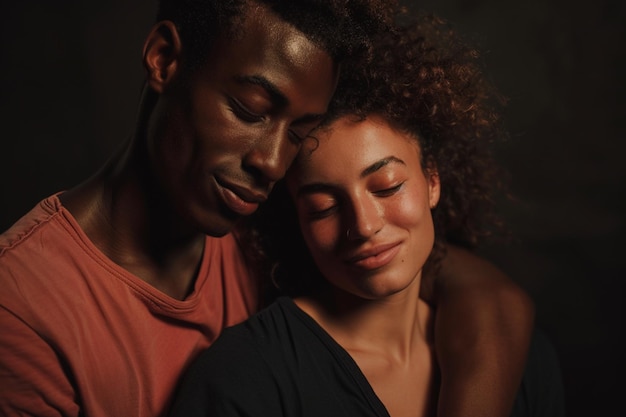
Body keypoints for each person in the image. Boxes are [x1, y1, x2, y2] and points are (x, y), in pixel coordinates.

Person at [0, 2, 531, 417]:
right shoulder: (21, 309)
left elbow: (471, 284)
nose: (273, 162)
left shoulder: (263, 221)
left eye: (299, 133)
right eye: (250, 110)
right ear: (163, 59)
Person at [168, 13, 564, 417]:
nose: (363, 225)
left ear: (432, 181)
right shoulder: (245, 379)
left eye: (388, 186)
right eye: (323, 207)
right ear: (297, 220)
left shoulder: (524, 361)